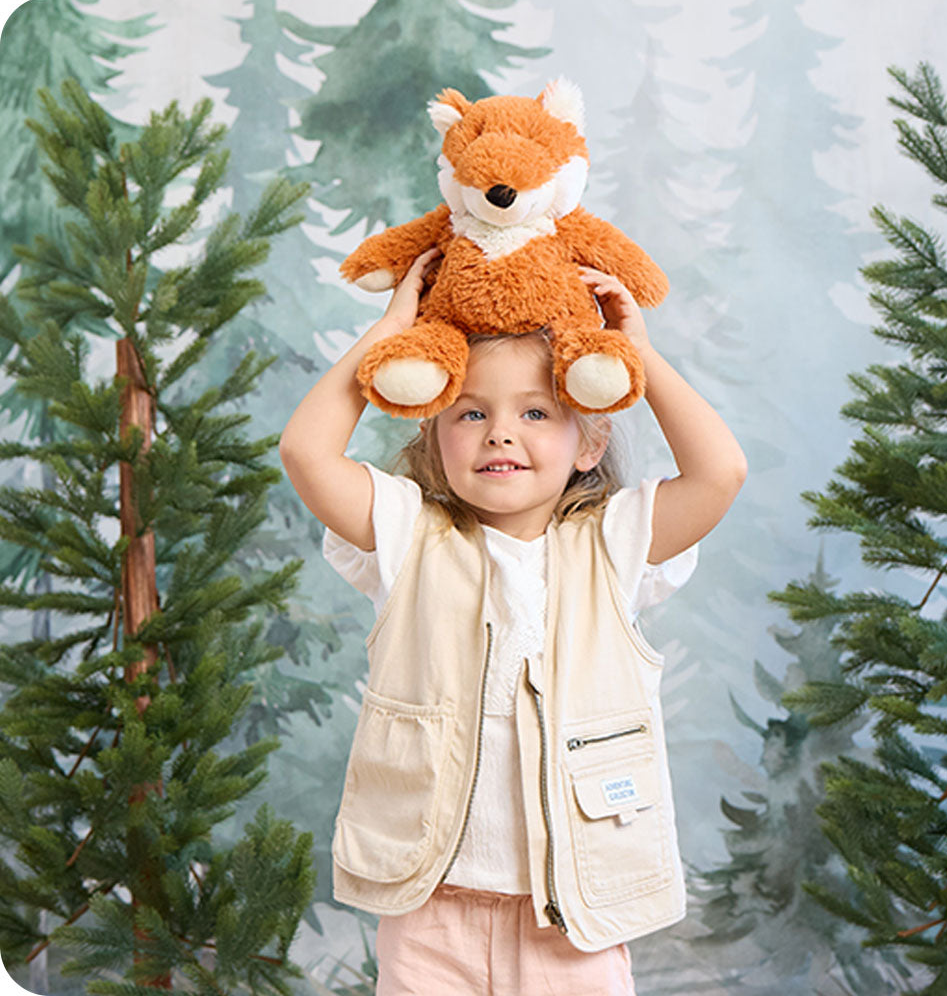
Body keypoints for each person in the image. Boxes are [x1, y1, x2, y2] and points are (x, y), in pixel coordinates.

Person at [280, 248, 747, 995]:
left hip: (572, 915)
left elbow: (720, 473)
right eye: (472, 413)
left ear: (589, 444)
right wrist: (391, 331)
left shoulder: (614, 546)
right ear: (434, 433)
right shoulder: (408, 536)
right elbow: (305, 452)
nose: (501, 433)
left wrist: (642, 358)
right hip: (429, 908)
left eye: (536, 412)